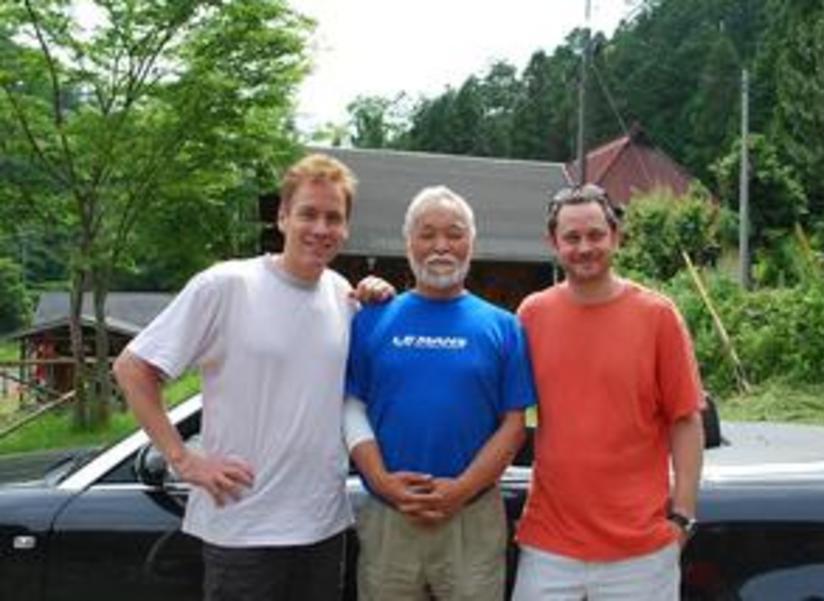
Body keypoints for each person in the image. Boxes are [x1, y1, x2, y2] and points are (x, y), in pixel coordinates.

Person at [113, 153, 391, 601]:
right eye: (308, 214)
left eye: (333, 218)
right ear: (282, 217)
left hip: (323, 527)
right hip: (243, 529)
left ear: (345, 228)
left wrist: (381, 298)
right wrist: (183, 459)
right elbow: (132, 368)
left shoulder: (343, 295)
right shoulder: (226, 285)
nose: (320, 228)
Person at [511, 184, 705, 601]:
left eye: (595, 235)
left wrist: (683, 517)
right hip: (549, 547)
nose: (585, 247)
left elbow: (686, 420)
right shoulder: (531, 315)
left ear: (616, 237)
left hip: (641, 551)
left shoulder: (658, 316)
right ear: (554, 243)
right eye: (572, 237)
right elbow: (506, 411)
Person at [344, 185, 537, 601]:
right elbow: (352, 406)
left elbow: (514, 425)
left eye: (454, 233)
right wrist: (381, 481)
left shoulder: (504, 327)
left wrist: (461, 490)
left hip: (473, 516)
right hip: (388, 516)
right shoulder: (370, 320)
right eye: (427, 234)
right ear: (408, 243)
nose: (441, 246)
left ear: (472, 243)